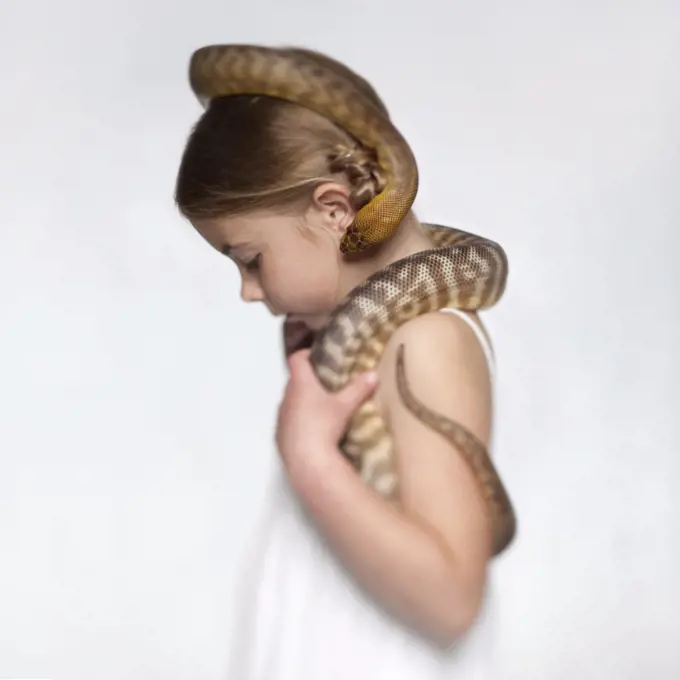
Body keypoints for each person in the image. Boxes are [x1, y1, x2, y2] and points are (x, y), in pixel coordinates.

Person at [174, 47, 508, 679]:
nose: (248, 290)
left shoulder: (427, 339)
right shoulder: (356, 334)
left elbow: (453, 599)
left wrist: (310, 458)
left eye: (250, 259)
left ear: (333, 210)